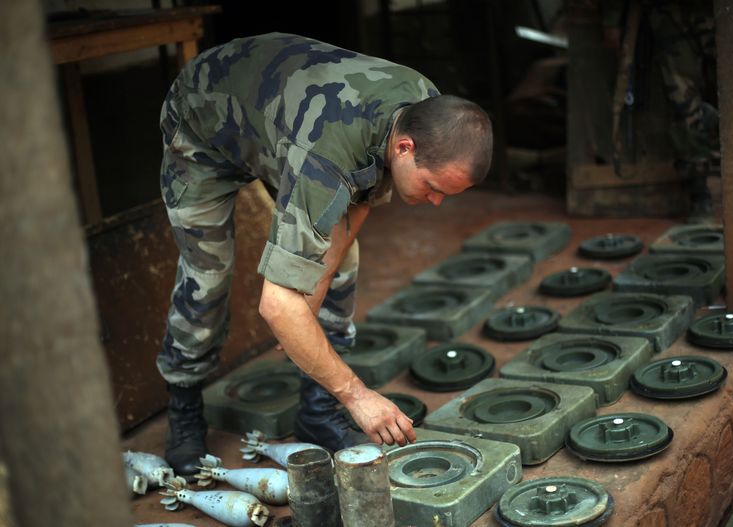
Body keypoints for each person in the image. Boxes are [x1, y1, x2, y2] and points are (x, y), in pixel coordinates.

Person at [156, 32, 493, 478]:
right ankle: (183, 407)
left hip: (282, 124)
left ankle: (316, 414)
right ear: (404, 148)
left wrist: (312, 294)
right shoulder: (325, 159)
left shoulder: (424, 108)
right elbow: (277, 306)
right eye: (432, 187)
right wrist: (357, 395)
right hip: (204, 121)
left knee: (339, 264)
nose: (435, 202)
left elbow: (359, 199)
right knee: (207, 277)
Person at [602, 0, 719, 223]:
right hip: (669, 13)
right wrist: (612, 18)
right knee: (682, 103)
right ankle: (699, 193)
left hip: (729, 11)